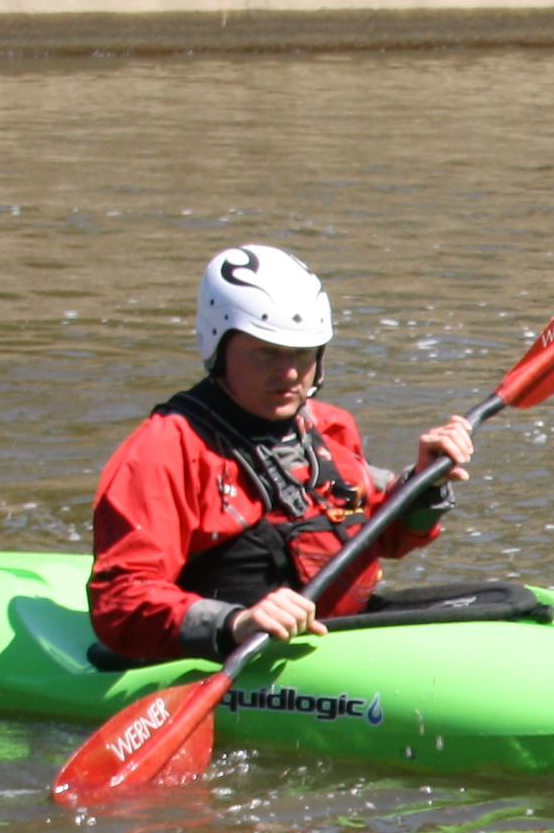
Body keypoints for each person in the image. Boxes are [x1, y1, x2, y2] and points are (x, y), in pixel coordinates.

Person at [87, 243, 474, 668]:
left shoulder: (329, 427)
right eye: (265, 351)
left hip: (337, 638)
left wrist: (424, 484)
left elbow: (377, 536)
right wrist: (235, 623)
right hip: (240, 652)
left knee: (512, 600)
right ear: (219, 348)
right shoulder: (166, 450)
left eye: (303, 353)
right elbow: (120, 599)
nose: (289, 373)